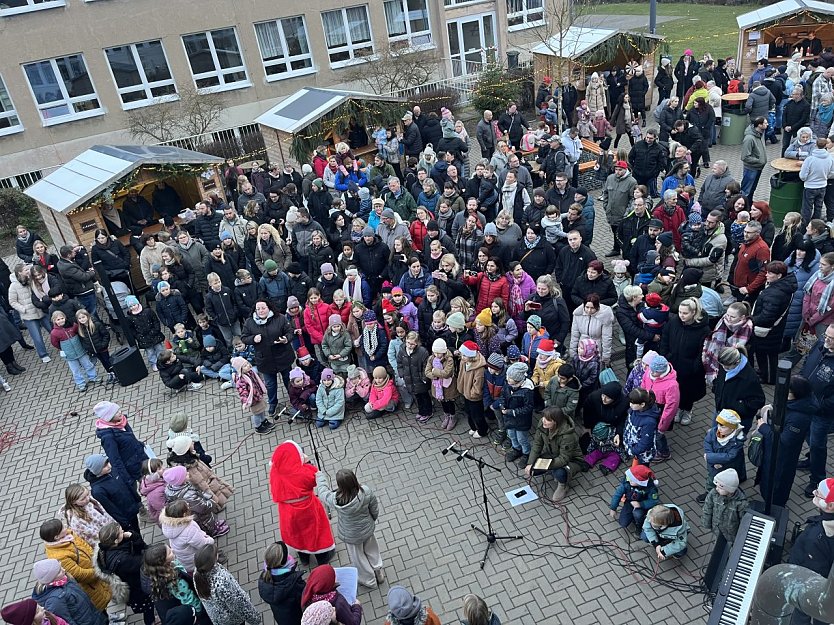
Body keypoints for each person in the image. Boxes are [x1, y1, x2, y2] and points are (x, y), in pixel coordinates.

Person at [315, 468, 384, 589]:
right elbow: (374, 508)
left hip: (351, 536)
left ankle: (369, 580)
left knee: (359, 558)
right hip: (367, 529)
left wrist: (319, 475)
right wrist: (372, 520)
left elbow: (322, 493)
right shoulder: (366, 492)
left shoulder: (336, 499)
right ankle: (378, 571)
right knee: (372, 549)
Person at [269, 441, 335, 566]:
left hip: (287, 511)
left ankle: (304, 557)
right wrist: (307, 463)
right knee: (315, 532)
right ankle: (322, 557)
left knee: (297, 534)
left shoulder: (275, 472)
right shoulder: (303, 473)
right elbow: (314, 476)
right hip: (307, 509)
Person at [38, 519, 111, 611]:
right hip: (90, 585)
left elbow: (84, 545)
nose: (66, 526)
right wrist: (98, 571)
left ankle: (111, 617)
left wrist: (96, 561)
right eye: (63, 527)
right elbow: (78, 574)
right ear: (56, 537)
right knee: (99, 608)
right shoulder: (59, 556)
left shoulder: (69, 535)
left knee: (105, 600)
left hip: (95, 574)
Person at [95, 522, 155, 625]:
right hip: (136, 587)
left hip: (132, 582)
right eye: (121, 532)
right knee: (148, 608)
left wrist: (132, 535)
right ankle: (151, 622)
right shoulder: (122, 560)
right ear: (115, 540)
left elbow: (139, 546)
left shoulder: (106, 548)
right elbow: (142, 561)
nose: (124, 531)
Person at [749, 261, 795, 384]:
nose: (766, 275)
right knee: (766, 354)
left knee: (767, 354)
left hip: (769, 331)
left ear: (779, 276)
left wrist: (751, 319)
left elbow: (767, 316)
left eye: (770, 273)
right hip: (774, 329)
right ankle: (765, 372)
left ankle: (769, 377)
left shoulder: (775, 293)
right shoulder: (780, 287)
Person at [524, 407, 584, 502]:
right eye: (543, 417)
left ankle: (563, 485)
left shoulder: (567, 436)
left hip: (572, 460)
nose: (543, 420)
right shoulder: (542, 424)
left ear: (555, 422)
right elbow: (537, 444)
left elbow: (564, 459)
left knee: (559, 473)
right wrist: (530, 463)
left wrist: (545, 465)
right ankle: (552, 471)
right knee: (533, 470)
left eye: (548, 420)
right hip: (553, 454)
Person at [193, 543, 261, 625]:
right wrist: (254, 618)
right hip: (233, 620)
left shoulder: (197, 573)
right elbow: (238, 605)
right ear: (214, 560)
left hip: (220, 620)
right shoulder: (222, 582)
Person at [30, 559, 107, 625]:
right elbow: (67, 621)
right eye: (59, 571)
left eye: (61, 567)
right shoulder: (55, 601)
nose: (64, 570)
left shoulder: (63, 579)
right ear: (51, 578)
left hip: (92, 616)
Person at [93, 400, 148, 490]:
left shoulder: (121, 421)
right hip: (134, 467)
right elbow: (115, 460)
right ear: (108, 417)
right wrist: (127, 480)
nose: (120, 412)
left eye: (118, 410)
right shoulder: (108, 437)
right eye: (116, 412)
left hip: (141, 457)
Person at [258, 541, 305, 625]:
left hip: (281, 618)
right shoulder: (294, 583)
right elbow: (304, 598)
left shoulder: (264, 577)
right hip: (297, 618)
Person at [701, 468, 749, 544]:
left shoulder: (740, 503)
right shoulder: (714, 494)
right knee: (718, 543)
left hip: (732, 533)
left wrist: (742, 534)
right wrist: (706, 523)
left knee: (731, 546)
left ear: (730, 490)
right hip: (717, 528)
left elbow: (743, 520)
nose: (717, 488)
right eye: (716, 486)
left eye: (720, 487)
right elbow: (708, 508)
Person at [608, 464, 659, 536]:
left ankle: (640, 525)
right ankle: (633, 517)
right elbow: (617, 495)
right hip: (630, 503)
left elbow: (654, 501)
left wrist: (640, 504)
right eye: (629, 478)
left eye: (633, 480)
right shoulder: (627, 483)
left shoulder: (650, 488)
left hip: (642, 505)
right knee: (623, 523)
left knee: (638, 514)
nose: (629, 480)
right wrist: (613, 508)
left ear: (640, 482)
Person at [60, 483, 115, 548]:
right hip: (105, 540)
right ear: (73, 502)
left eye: (87, 494)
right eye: (83, 499)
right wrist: (110, 536)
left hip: (110, 530)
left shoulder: (90, 500)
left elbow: (103, 512)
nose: (87, 498)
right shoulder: (76, 520)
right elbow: (93, 534)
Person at [601, 161, 637, 257]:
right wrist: (605, 205)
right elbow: (605, 193)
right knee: (615, 232)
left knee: (623, 234)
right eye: (616, 169)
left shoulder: (632, 182)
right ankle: (616, 249)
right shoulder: (610, 178)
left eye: (620, 170)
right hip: (611, 213)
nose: (617, 172)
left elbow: (632, 199)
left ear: (625, 170)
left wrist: (627, 213)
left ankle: (626, 251)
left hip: (623, 214)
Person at [569, 294, 615, 368]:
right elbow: (575, 334)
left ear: (597, 307)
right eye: (587, 307)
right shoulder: (578, 314)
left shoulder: (605, 316)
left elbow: (607, 338)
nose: (589, 310)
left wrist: (606, 357)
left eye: (592, 308)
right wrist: (572, 351)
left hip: (596, 349)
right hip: (582, 348)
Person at [802, 252, 834, 337]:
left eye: (823, 264)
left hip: (823, 321)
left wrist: (813, 319)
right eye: (820, 263)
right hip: (808, 314)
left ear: (832, 266)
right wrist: (806, 312)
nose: (819, 266)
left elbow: (830, 307)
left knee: (817, 345)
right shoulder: (817, 275)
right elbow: (808, 292)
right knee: (802, 342)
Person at [740, 117, 769, 199]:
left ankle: (749, 206)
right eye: (765, 123)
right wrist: (759, 161)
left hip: (758, 168)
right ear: (759, 125)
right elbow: (744, 157)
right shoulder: (749, 138)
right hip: (751, 169)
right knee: (746, 191)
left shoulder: (761, 134)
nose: (767, 124)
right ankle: (743, 207)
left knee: (752, 190)